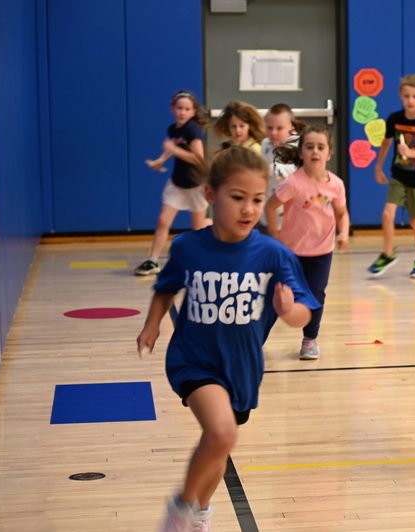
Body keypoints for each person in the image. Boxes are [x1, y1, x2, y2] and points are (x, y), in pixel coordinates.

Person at [136, 146, 319, 531]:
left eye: (256, 200)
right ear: (210, 195)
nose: (249, 209)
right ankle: (182, 509)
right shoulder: (189, 247)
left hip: (241, 367)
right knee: (221, 432)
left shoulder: (272, 254)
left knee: (219, 443)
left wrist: (289, 314)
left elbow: (305, 308)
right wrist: (152, 324)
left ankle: (201, 512)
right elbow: (166, 287)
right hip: (194, 360)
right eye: (237, 198)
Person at [264, 125, 349, 360]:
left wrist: (344, 233)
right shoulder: (293, 182)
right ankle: (255, 339)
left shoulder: (336, 185)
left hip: (322, 251)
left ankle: (309, 339)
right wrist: (274, 232)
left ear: (329, 153)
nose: (315, 151)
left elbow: (342, 213)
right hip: (292, 252)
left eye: (321, 147)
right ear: (301, 152)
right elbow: (271, 206)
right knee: (278, 294)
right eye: (309, 147)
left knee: (315, 295)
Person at [370, 74, 415, 278]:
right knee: (387, 214)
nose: (410, 100)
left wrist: (411, 153)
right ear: (400, 96)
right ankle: (388, 253)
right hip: (398, 176)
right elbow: (385, 143)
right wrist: (378, 167)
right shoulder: (394, 119)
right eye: (406, 96)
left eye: (414, 96)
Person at [136, 89, 211, 276]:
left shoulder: (193, 129)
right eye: (179, 108)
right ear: (172, 109)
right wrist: (160, 160)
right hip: (177, 183)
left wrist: (174, 151)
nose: (182, 112)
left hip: (196, 184)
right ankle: (153, 261)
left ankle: (211, 249)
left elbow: (198, 158)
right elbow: (172, 147)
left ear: (193, 112)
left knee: (199, 227)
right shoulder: (173, 129)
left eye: (187, 109)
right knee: (163, 220)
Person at [259, 103, 304, 234]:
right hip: (268, 209)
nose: (273, 132)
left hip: (292, 213)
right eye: (269, 127)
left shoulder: (298, 146)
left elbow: (287, 170)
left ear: (292, 128)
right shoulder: (265, 144)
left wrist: (260, 169)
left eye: (279, 128)